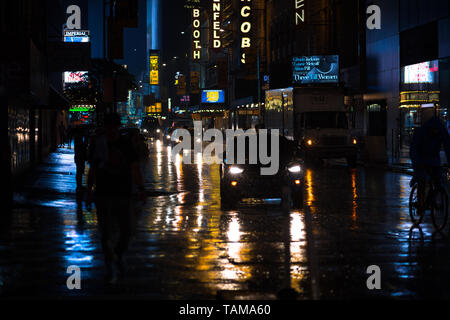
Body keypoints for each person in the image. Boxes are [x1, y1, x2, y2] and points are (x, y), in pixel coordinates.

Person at [87, 113, 146, 284]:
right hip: (103, 194)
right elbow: (92, 170)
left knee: (126, 230)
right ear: (105, 128)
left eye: (114, 127)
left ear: (118, 127)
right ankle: (109, 262)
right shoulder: (99, 145)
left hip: (123, 193)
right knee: (105, 232)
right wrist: (89, 191)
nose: (111, 130)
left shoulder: (126, 145)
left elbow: (135, 168)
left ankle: (118, 253)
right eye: (108, 127)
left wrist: (141, 188)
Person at [410, 109, 450, 218]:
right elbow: (414, 150)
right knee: (421, 180)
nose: (436, 133)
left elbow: (448, 146)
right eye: (434, 131)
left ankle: (432, 199)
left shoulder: (441, 130)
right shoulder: (421, 132)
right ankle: (420, 203)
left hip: (433, 160)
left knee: (438, 182)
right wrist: (417, 164)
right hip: (421, 159)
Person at [73, 126, 88, 192]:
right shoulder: (79, 138)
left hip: (79, 156)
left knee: (80, 171)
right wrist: (86, 141)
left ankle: (79, 185)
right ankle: (79, 186)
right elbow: (82, 147)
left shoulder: (78, 138)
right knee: (79, 171)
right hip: (80, 157)